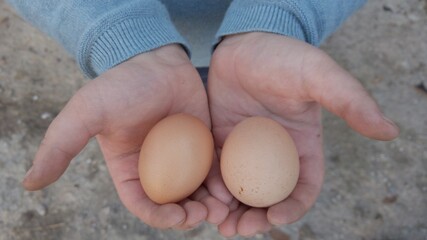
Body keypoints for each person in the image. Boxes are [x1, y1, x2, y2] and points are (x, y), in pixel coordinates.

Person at [7, 0, 399, 237]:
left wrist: (281, 15)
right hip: (140, 42)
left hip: (262, 47)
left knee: (213, 109)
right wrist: (120, 34)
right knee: (191, 108)